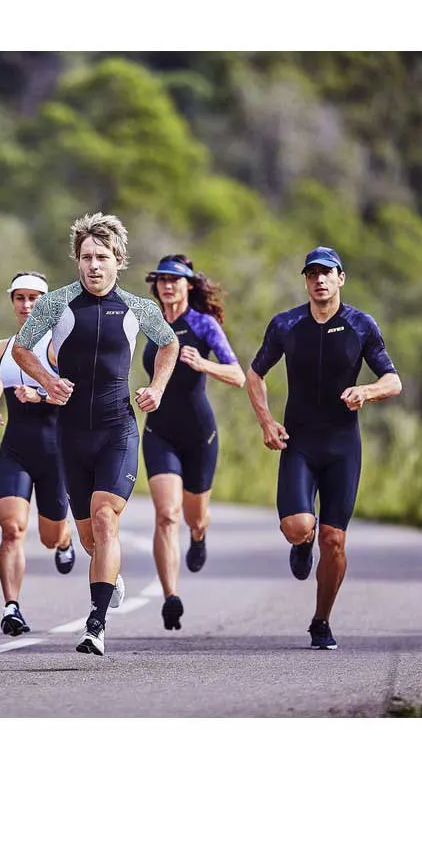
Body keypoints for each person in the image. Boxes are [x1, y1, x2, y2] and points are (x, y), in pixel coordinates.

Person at [12, 213, 179, 656]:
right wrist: (48, 382)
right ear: (77, 260)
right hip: (71, 434)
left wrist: (157, 388)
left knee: (106, 520)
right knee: (89, 538)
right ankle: (110, 576)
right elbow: (21, 348)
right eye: (86, 257)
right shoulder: (57, 304)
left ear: (118, 260)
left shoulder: (139, 308)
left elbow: (169, 344)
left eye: (102, 257)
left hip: (116, 430)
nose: (93, 266)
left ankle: (96, 624)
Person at [245, 246, 402, 649]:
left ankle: (321, 621)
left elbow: (393, 381)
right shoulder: (286, 324)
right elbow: (255, 373)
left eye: (326, 273)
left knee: (334, 540)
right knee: (298, 526)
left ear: (340, 278)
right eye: (312, 274)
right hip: (299, 443)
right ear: (305, 281)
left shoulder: (360, 325)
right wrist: (266, 422)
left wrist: (365, 391)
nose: (319, 280)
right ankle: (302, 543)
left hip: (342, 447)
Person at [141, 254, 245, 632]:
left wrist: (203, 364)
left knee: (193, 517)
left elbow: (237, 375)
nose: (168, 285)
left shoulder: (203, 324)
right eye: (162, 280)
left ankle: (199, 536)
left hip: (200, 434)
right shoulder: (150, 323)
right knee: (166, 515)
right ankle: (171, 596)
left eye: (175, 279)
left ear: (188, 285)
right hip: (160, 432)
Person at [0, 271, 75, 637]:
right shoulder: (1, 348)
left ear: (45, 303)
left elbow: (75, 393)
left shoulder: (58, 347)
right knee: (11, 529)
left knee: (49, 537)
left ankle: (65, 539)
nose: (26, 305)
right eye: (19, 298)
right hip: (16, 451)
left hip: (55, 454)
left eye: (33, 298)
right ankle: (11, 607)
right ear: (12, 302)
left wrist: (40, 395)